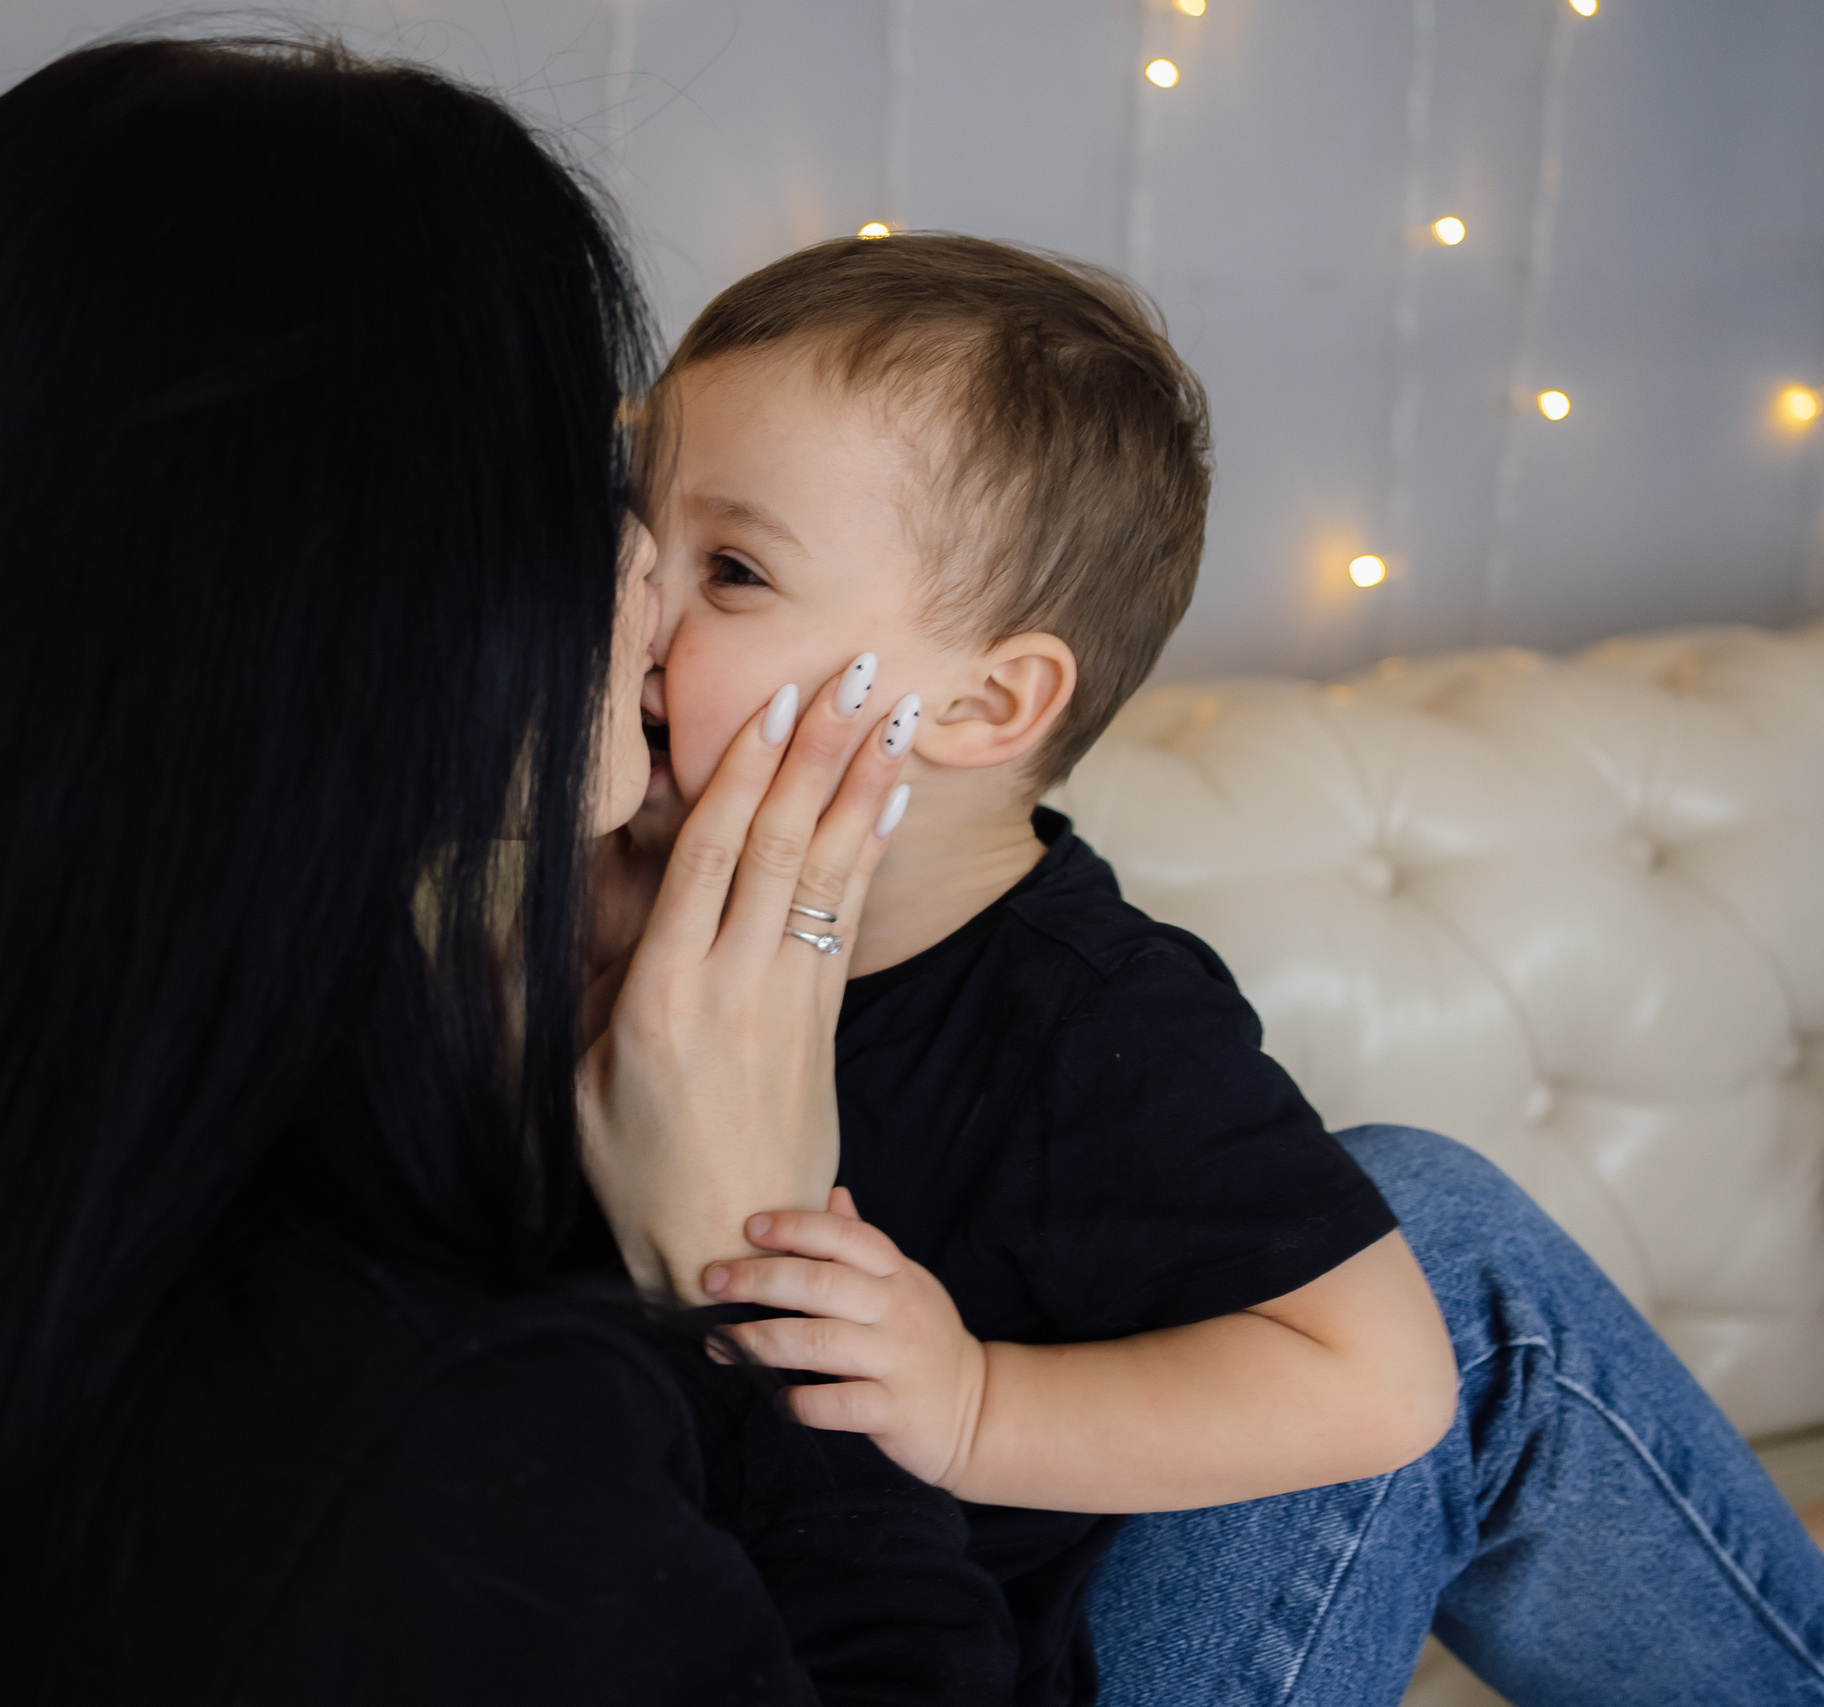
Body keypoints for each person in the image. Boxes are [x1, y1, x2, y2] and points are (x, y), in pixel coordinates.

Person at [0, 41, 1002, 1706]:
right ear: (344, 581)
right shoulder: (410, 1444)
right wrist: (751, 1297)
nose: (638, 563)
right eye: (574, 479)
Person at [623, 231, 1824, 1705]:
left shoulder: (1087, 1016)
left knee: (1426, 1240)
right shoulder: (582, 910)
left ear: (988, 701)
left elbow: (1378, 1381)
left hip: (1001, 1655)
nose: (636, 614)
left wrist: (979, 1404)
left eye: (731, 571)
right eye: (634, 540)